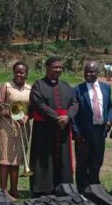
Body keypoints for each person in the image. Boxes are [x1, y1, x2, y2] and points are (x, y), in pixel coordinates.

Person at [28, 57, 77, 196]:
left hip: (63, 129)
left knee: (63, 159)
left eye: (60, 67)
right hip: (44, 129)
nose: (58, 70)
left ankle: (63, 186)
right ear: (47, 68)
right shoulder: (38, 85)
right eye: (55, 67)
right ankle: (43, 188)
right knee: (44, 159)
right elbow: (38, 104)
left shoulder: (66, 86)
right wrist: (57, 118)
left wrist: (68, 117)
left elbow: (75, 104)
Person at [71, 61, 112, 192]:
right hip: (83, 133)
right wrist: (76, 133)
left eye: (92, 71)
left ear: (98, 73)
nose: (88, 74)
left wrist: (109, 120)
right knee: (82, 162)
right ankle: (82, 188)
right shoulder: (77, 90)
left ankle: (94, 186)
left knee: (96, 160)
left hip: (100, 131)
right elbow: (72, 114)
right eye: (86, 71)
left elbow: (110, 107)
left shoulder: (106, 88)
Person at [0, 62, 32, 199]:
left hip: (22, 127)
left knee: (16, 159)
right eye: (16, 72)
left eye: (22, 72)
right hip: (6, 126)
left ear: (26, 73)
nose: (19, 74)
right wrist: (13, 115)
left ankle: (14, 189)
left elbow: (31, 109)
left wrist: (27, 118)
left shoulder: (30, 89)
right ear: (13, 72)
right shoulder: (6, 86)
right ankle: (3, 190)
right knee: (5, 159)